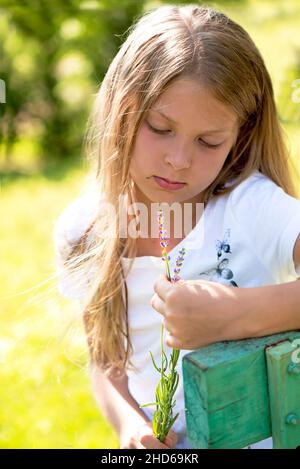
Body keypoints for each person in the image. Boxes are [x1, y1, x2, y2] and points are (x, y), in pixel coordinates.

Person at [53, 4, 300, 450]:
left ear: (239, 135)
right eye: (160, 128)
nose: (179, 160)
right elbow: (105, 360)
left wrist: (234, 315)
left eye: (209, 141)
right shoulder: (85, 231)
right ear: (121, 110)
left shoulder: (251, 206)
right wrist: (130, 425)